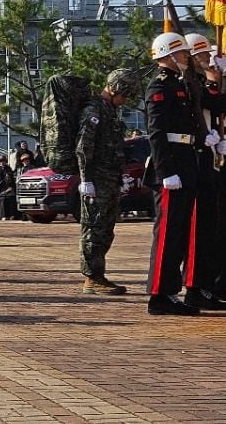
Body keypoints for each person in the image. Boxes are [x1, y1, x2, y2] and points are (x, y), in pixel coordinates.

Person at [144, 32, 210, 315]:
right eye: (181, 53)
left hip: (185, 160)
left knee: (179, 233)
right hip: (171, 165)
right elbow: (157, 133)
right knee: (168, 234)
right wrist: (166, 172)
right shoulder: (159, 86)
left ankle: (169, 293)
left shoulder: (180, 83)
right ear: (169, 56)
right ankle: (159, 295)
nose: (185, 57)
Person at [76, 68, 141, 295]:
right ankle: (92, 277)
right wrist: (86, 179)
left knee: (105, 229)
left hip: (109, 179)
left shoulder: (109, 111)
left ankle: (98, 275)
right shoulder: (94, 110)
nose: (125, 100)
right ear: (113, 89)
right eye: (124, 95)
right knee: (94, 229)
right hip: (97, 180)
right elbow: (84, 146)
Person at [181, 33, 226, 309]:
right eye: (202, 55)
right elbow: (210, 103)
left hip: (208, 158)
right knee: (198, 231)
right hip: (194, 160)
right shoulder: (189, 83)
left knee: (210, 229)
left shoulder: (198, 81)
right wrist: (213, 80)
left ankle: (205, 285)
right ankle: (195, 286)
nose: (207, 59)